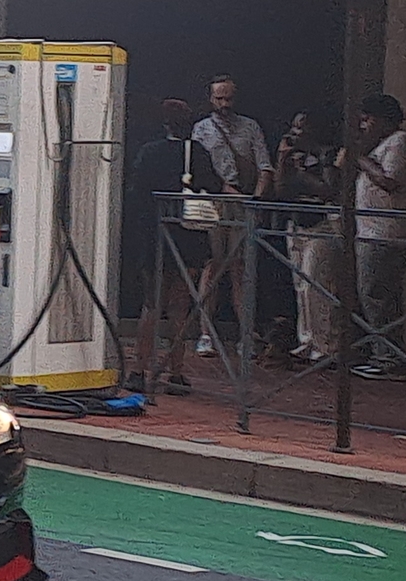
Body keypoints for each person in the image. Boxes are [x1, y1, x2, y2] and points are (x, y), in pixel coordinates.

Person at [188, 74, 273, 360]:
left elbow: (264, 166)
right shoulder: (201, 129)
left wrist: (255, 200)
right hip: (213, 204)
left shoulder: (250, 127)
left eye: (229, 98)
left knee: (241, 270)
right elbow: (199, 169)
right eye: (219, 99)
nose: (224, 104)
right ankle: (205, 334)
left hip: (243, 205)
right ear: (211, 100)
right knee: (211, 268)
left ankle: (245, 336)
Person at [128, 98, 205, 395]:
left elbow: (136, 193)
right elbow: (210, 184)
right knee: (180, 306)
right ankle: (177, 371)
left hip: (154, 234)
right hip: (188, 236)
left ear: (164, 124)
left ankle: (138, 371)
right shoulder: (197, 153)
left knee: (151, 304)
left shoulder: (149, 152)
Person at [351, 93, 406, 381]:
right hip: (373, 231)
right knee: (377, 294)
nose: (364, 125)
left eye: (368, 120)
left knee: (377, 294)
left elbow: (389, 180)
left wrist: (360, 159)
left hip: (387, 233)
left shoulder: (400, 142)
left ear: (384, 120)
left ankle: (390, 358)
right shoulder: (385, 144)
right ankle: (383, 354)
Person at [273, 111, 346, 367]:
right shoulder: (295, 156)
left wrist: (302, 174)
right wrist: (282, 162)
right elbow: (280, 191)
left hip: (323, 226)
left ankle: (327, 346)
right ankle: (307, 341)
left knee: (319, 285)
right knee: (301, 286)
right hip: (297, 224)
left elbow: (329, 190)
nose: (295, 132)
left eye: (301, 128)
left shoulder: (331, 154)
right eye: (293, 127)